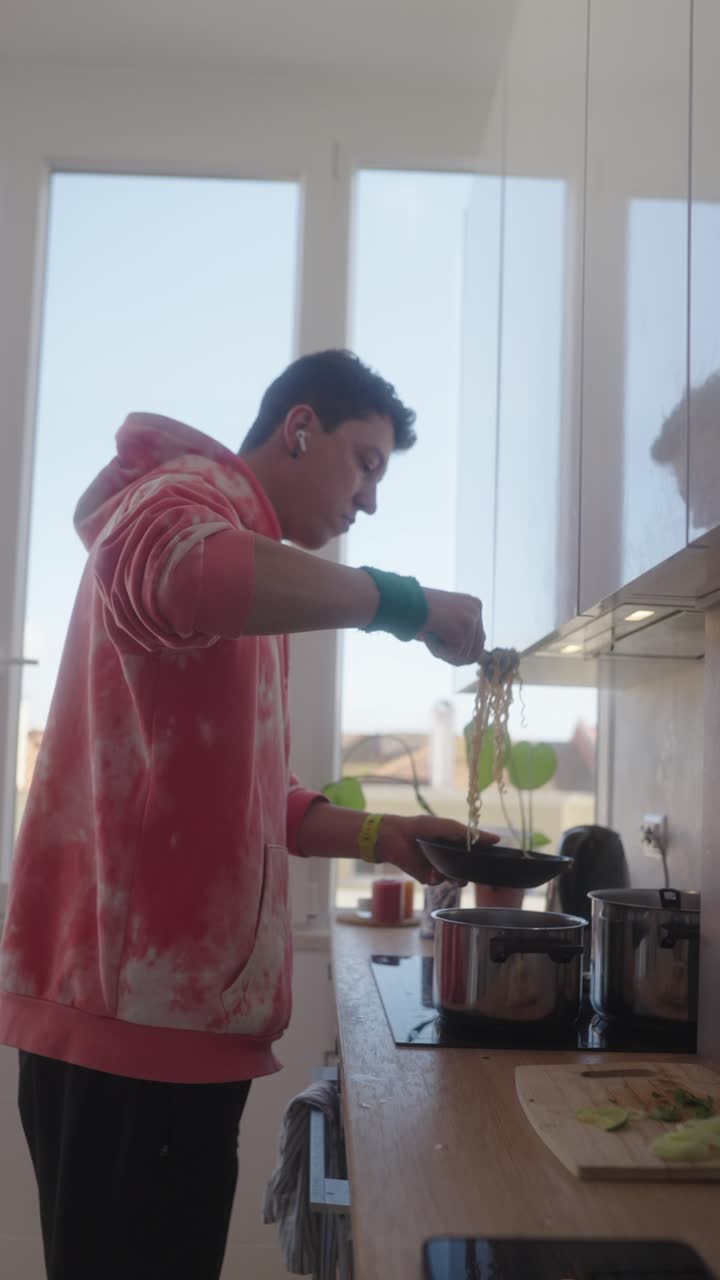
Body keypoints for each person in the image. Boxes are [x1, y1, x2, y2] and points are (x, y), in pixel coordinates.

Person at [0, 349, 494, 1280]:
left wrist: (385, 837)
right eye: (368, 461)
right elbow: (184, 575)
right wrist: (407, 604)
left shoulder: (241, 559)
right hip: (133, 1031)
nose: (371, 499)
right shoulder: (180, 496)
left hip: (173, 1034)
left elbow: (246, 797)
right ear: (299, 427)